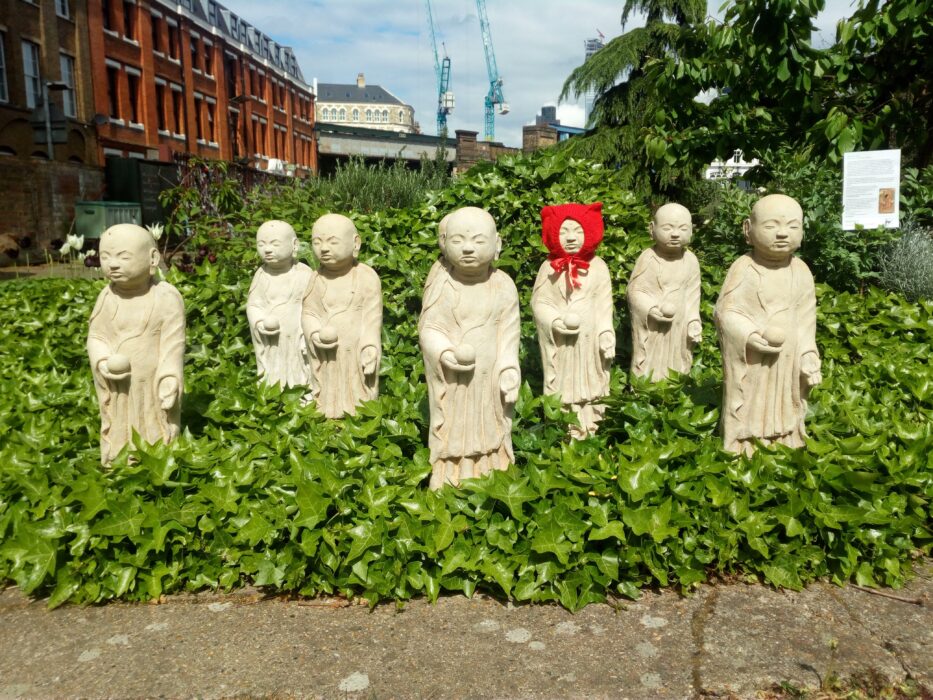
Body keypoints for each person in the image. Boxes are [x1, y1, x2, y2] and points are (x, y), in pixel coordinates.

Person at [419, 207, 520, 489]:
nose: (467, 248)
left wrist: (510, 370)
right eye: (458, 240)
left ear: (496, 244)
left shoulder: (503, 286)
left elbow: (509, 336)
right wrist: (443, 352)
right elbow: (430, 328)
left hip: (488, 376)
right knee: (454, 429)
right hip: (453, 379)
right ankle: (449, 476)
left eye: (478, 241)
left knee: (490, 425)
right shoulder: (443, 284)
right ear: (443, 243)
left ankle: (492, 470)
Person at [714, 194, 822, 454]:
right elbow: (725, 313)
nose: (783, 234)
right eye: (772, 226)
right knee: (752, 398)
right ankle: (744, 442)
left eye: (792, 226)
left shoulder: (801, 271)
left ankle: (785, 437)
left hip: (788, 357)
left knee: (785, 399)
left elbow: (806, 320)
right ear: (748, 231)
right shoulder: (744, 268)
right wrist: (749, 334)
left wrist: (808, 354)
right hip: (753, 355)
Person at [87, 224, 185, 464]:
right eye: (105, 257)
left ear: (153, 258)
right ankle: (118, 462)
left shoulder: (166, 297)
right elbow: (97, 337)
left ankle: (156, 462)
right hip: (120, 386)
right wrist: (102, 361)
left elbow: (173, 345)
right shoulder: (107, 298)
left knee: (152, 424)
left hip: (151, 384)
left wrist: (170, 378)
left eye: (124, 257)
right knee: (120, 425)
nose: (113, 264)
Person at [531, 202, 614, 437]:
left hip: (588, 340)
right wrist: (555, 321)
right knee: (564, 383)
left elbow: (604, 305)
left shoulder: (598, 267)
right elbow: (540, 303)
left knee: (591, 381)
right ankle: (564, 428)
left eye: (577, 231)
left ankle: (592, 425)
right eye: (564, 231)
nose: (570, 237)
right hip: (562, 342)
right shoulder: (548, 268)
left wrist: (606, 334)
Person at [301, 214, 382, 418]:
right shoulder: (315, 279)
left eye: (332, 241)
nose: (324, 248)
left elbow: (372, 321)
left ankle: (358, 421)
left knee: (357, 398)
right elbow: (309, 313)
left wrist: (370, 348)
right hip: (327, 354)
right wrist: (314, 334)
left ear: (355, 243)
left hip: (355, 351)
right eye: (317, 242)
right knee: (328, 395)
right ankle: (327, 417)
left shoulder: (366, 277)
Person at [628, 203, 702, 380]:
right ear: (652, 229)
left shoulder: (691, 260)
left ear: (691, 230)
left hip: (679, 326)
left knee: (676, 365)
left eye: (682, 228)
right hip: (652, 325)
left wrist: (693, 321)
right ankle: (645, 393)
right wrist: (651, 308)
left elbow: (692, 296)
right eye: (667, 228)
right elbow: (635, 292)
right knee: (649, 365)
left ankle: (671, 395)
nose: (675, 234)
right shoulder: (648, 258)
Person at [246, 220, 314, 388]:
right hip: (272, 339)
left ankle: (302, 395)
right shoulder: (261, 275)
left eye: (275, 244)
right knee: (273, 370)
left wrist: (307, 332)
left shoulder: (304, 273)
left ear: (294, 245)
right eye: (261, 244)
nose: (267, 250)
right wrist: (260, 322)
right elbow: (254, 305)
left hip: (298, 335)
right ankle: (273, 397)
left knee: (300, 369)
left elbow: (314, 306)